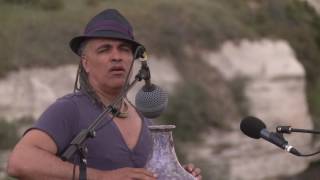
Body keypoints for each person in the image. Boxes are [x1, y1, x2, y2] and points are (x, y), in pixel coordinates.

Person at [6, 9, 202, 180]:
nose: (116, 56)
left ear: (132, 59)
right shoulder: (69, 109)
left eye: (124, 49)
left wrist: (176, 173)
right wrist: (102, 177)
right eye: (104, 49)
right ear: (86, 62)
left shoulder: (144, 120)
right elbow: (20, 162)